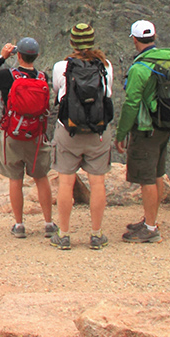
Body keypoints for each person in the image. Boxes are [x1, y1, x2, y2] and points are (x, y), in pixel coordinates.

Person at [114, 19, 170, 243]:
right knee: (156, 174)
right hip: (164, 126)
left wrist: (121, 134)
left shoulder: (140, 68)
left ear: (135, 39)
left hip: (146, 129)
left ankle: (151, 228)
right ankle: (149, 219)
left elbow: (131, 104)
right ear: (153, 37)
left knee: (146, 178)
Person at [47, 23, 116, 250]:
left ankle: (64, 235)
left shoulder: (62, 66)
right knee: (97, 183)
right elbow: (106, 94)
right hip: (98, 132)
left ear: (73, 43)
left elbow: (59, 93)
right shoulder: (105, 66)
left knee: (66, 182)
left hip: (69, 130)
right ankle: (96, 235)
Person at [0, 37, 56, 239]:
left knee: (16, 178)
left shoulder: (8, 76)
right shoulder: (42, 77)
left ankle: (19, 225)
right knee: (41, 177)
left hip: (13, 133)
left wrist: (1, 57)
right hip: (36, 134)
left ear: (18, 55)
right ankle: (48, 223)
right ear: (36, 56)